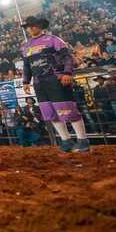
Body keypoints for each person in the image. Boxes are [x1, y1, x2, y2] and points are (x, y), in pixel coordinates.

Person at [21, 15, 89, 152]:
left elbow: (67, 57)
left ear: (40, 25)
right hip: (39, 84)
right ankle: (66, 141)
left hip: (56, 79)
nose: (31, 28)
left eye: (33, 25)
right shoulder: (26, 46)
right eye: (29, 26)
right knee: (50, 114)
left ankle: (83, 140)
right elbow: (27, 66)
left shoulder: (53, 39)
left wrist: (67, 73)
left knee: (68, 110)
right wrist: (26, 82)